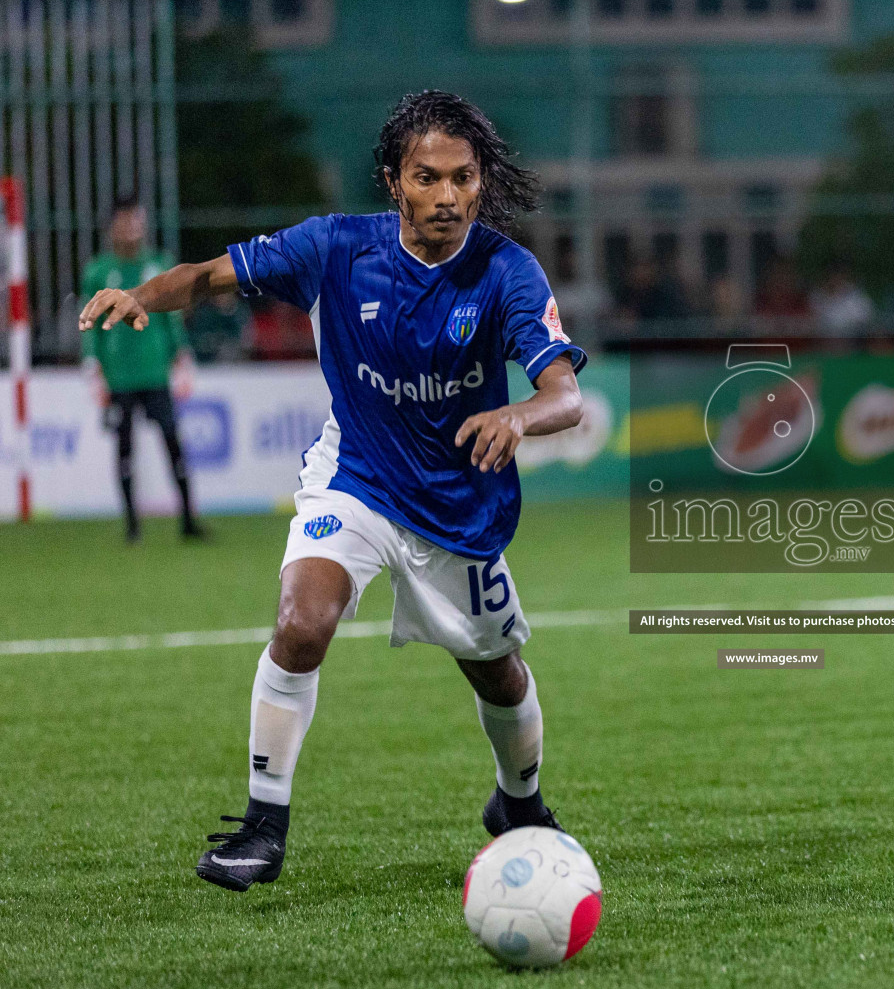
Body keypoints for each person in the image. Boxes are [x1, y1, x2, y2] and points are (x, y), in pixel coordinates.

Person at [77, 91, 586, 892]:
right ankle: (262, 826)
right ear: (394, 181)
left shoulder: (505, 270)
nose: (448, 196)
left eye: (463, 178)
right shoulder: (334, 250)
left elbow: (566, 394)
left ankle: (518, 802)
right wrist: (143, 295)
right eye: (428, 177)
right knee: (301, 622)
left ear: (481, 182)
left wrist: (521, 414)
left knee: (499, 672)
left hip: (459, 507)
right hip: (355, 481)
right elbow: (213, 275)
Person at [80, 196, 204, 543]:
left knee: (172, 443)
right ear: (112, 227)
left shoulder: (159, 264)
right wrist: (92, 365)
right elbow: (89, 322)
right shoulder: (98, 271)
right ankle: (132, 526)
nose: (132, 227)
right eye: (125, 220)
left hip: (155, 371)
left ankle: (188, 521)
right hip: (119, 375)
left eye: (137, 220)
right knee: (124, 449)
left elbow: (173, 316)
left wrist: (181, 353)